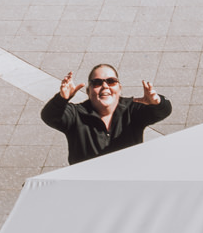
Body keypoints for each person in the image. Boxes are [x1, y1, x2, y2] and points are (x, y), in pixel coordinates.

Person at [40, 64, 171, 165]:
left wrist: (157, 102)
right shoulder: (76, 114)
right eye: (97, 83)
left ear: (119, 88)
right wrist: (62, 99)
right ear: (88, 91)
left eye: (111, 81)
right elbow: (49, 116)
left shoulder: (131, 110)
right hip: (88, 187)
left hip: (128, 183)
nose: (104, 86)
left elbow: (163, 111)